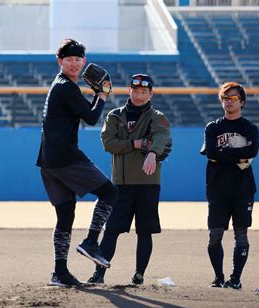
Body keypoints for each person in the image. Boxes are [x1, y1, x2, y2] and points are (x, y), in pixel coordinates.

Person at [36, 39, 118, 287]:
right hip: (65, 157)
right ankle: (91, 241)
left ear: (83, 61)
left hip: (48, 161)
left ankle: (59, 272)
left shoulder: (59, 85)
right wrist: (102, 95)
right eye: (68, 59)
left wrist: (95, 96)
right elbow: (92, 118)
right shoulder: (67, 88)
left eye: (78, 59)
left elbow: (84, 114)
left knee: (65, 215)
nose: (74, 63)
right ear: (59, 61)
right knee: (109, 192)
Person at [88, 74, 171, 285]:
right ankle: (99, 274)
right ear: (129, 91)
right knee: (112, 230)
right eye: (136, 91)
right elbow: (109, 143)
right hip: (121, 185)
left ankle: (139, 276)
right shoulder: (114, 116)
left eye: (144, 92)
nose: (140, 95)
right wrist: (136, 144)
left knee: (145, 231)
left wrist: (152, 152)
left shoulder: (157, 117)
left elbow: (161, 137)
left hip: (148, 184)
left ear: (151, 93)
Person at [201, 81, 259, 289]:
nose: (229, 102)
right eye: (226, 98)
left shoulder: (249, 128)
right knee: (214, 235)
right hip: (217, 188)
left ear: (242, 102)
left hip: (243, 189)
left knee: (241, 234)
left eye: (233, 98)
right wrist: (237, 155)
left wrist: (224, 153)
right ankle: (218, 277)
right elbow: (211, 153)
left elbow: (252, 152)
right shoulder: (213, 127)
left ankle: (235, 279)